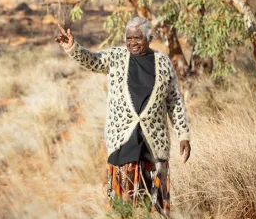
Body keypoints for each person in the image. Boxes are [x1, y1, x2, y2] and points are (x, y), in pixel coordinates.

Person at [55, 17, 191, 216]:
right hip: (123, 141)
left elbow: (174, 100)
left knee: (155, 209)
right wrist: (73, 47)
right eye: (129, 38)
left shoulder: (163, 62)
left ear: (149, 37)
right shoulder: (117, 56)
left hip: (154, 143)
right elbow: (93, 61)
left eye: (137, 38)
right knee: (122, 207)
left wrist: (183, 134)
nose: (132, 43)